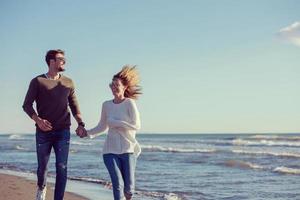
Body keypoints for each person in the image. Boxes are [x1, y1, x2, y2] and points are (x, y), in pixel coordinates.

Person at [22, 49, 86, 200]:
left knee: (62, 168)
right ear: (51, 61)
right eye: (61, 59)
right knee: (42, 169)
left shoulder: (68, 82)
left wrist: (81, 124)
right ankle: (41, 187)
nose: (64, 61)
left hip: (63, 131)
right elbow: (26, 105)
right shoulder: (37, 81)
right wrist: (38, 120)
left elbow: (75, 105)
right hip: (43, 132)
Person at [85, 65, 142, 200]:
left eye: (117, 85)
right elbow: (102, 126)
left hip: (128, 150)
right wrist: (87, 133)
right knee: (117, 184)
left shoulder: (129, 103)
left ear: (124, 87)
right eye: (112, 85)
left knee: (129, 190)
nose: (114, 87)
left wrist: (116, 123)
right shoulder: (106, 105)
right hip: (110, 151)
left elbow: (137, 126)